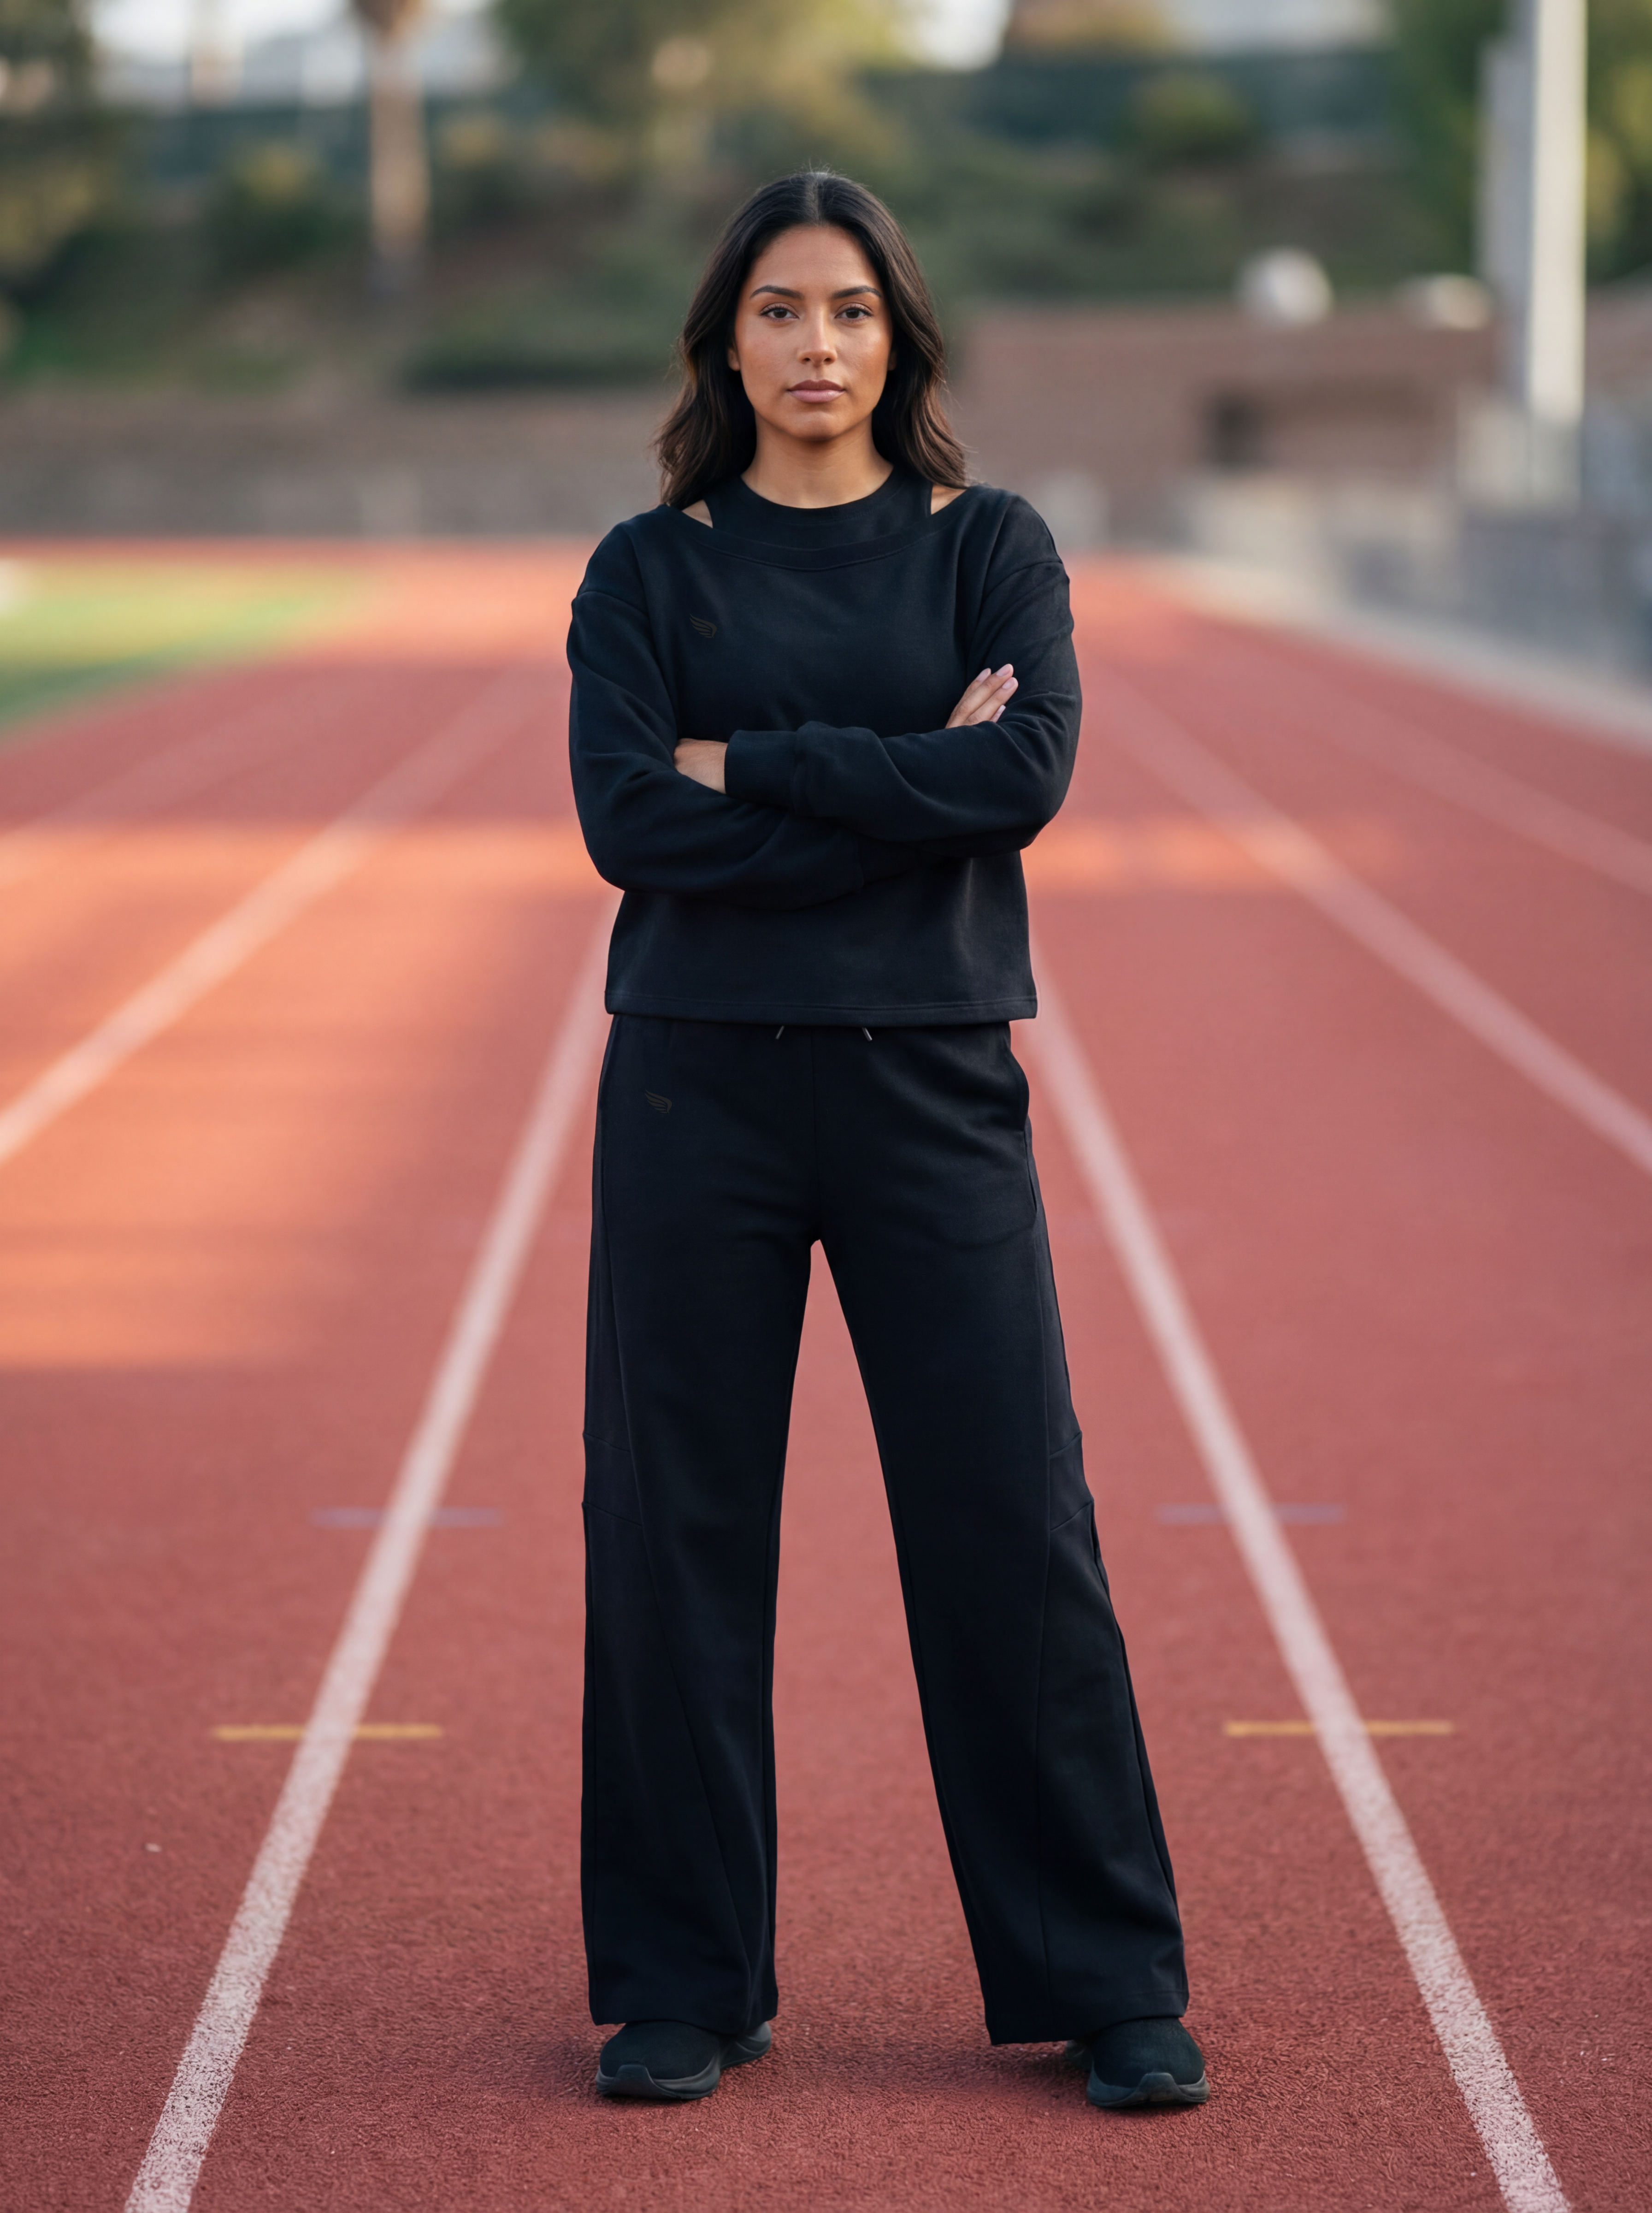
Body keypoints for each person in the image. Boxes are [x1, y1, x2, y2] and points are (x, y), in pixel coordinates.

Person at [566, 170, 1207, 2116]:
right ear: (725, 339)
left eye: (848, 311)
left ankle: (1103, 1978)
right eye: (778, 310)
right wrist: (902, 783)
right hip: (695, 1088)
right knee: (671, 1534)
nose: (815, 346)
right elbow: (622, 822)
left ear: (898, 336)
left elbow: (1023, 773)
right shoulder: (646, 572)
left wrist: (749, 764)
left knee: (1012, 1528)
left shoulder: (987, 546)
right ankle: (687, 1977)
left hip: (933, 1081)